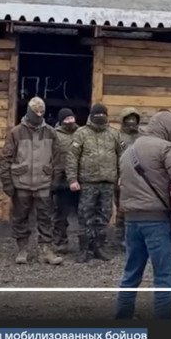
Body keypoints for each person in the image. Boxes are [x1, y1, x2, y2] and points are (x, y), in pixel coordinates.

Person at [115, 111, 171, 320]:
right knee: (163, 277)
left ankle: (122, 318)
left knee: (131, 273)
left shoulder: (128, 152)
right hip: (157, 221)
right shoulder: (165, 148)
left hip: (132, 221)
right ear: (167, 129)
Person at [1, 97, 65, 266]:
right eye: (35, 111)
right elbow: (5, 159)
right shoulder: (15, 132)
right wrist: (7, 182)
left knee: (46, 218)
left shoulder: (51, 132)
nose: (38, 114)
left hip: (44, 182)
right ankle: (22, 249)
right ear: (29, 112)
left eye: (41, 112)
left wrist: (56, 179)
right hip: (21, 182)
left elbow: (58, 159)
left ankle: (47, 250)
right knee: (20, 217)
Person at [67, 103, 121, 262]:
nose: (100, 117)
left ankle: (99, 247)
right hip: (87, 182)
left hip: (108, 182)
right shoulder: (81, 133)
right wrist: (72, 179)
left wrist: (122, 177)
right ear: (92, 116)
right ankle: (84, 250)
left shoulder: (114, 134)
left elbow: (121, 157)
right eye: (97, 114)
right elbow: (72, 158)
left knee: (104, 216)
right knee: (85, 216)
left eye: (103, 114)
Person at [52, 108, 80, 254]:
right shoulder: (55, 135)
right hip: (61, 180)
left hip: (80, 179)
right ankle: (60, 241)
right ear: (61, 120)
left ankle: (84, 243)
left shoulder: (81, 133)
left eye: (71, 118)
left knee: (83, 212)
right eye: (66, 119)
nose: (70, 121)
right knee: (60, 214)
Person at [114, 107, 142, 248]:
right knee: (121, 208)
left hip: (140, 178)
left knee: (139, 208)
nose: (131, 122)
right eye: (128, 119)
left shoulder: (143, 136)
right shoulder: (117, 137)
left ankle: (136, 236)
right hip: (122, 177)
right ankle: (120, 237)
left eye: (134, 119)